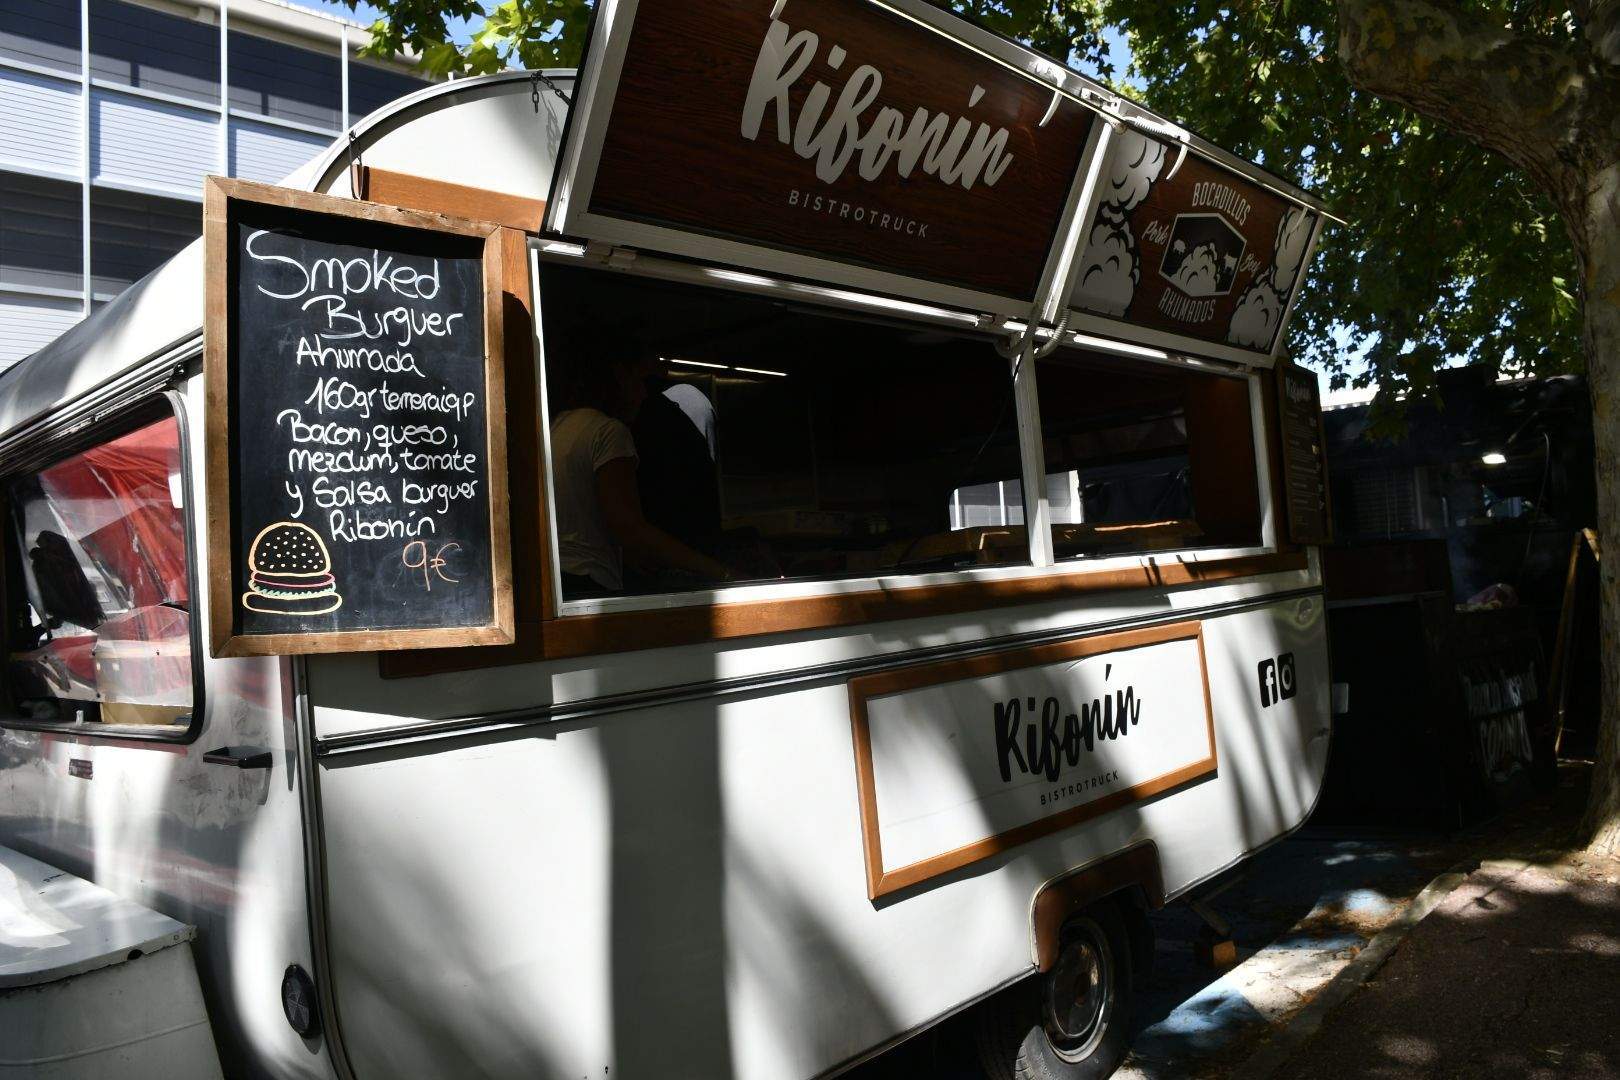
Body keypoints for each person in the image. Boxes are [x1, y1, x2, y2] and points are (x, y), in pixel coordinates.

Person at [550, 351, 732, 598]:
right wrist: (721, 572)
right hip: (590, 580)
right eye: (639, 381)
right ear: (618, 378)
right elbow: (630, 528)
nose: (644, 394)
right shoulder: (609, 432)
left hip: (557, 581)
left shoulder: (557, 427)